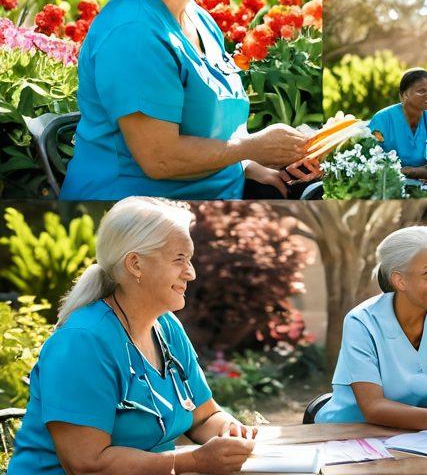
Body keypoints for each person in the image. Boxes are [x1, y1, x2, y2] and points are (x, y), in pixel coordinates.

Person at [60, 0, 316, 200]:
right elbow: (160, 159)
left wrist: (248, 163)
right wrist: (251, 147)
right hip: (139, 209)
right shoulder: (133, 32)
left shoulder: (200, 20)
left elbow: (213, 131)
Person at [8, 197, 260, 475]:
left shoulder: (166, 326)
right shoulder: (81, 342)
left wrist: (230, 431)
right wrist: (194, 462)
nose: (191, 273)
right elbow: (88, 465)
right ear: (135, 264)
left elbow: (205, 417)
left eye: (190, 260)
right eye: (180, 260)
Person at [317, 226, 427, 432]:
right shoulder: (362, 322)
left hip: (418, 436)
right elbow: (372, 407)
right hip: (350, 433)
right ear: (400, 281)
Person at [369, 68, 427, 186]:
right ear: (404, 95)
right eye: (422, 91)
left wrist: (414, 171)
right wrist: (421, 171)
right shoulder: (383, 119)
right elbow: (369, 163)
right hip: (387, 186)